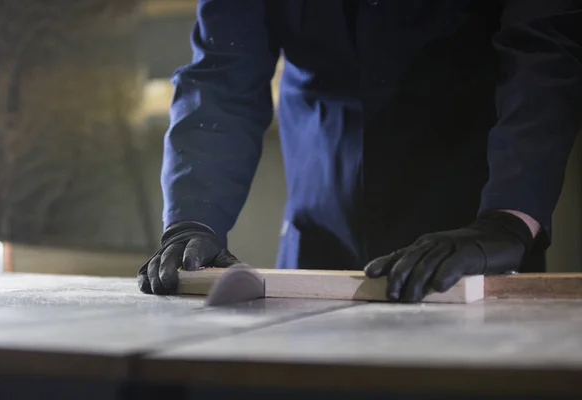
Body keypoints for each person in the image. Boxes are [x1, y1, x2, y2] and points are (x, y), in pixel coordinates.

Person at [138, 0, 582, 302]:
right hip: (316, 235)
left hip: (474, 229)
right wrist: (192, 219)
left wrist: (511, 218)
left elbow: (544, 53)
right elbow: (223, 72)